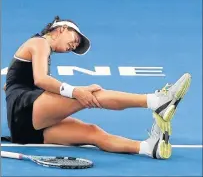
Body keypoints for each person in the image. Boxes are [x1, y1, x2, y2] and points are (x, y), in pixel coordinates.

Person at [3, 16, 191, 160]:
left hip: (23, 129)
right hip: (25, 111)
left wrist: (15, 90)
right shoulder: (40, 42)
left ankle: (149, 148)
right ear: (61, 29)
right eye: (75, 39)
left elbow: (8, 85)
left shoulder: (38, 49)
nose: (74, 45)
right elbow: (41, 80)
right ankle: (157, 102)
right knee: (92, 96)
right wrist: (76, 91)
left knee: (93, 133)